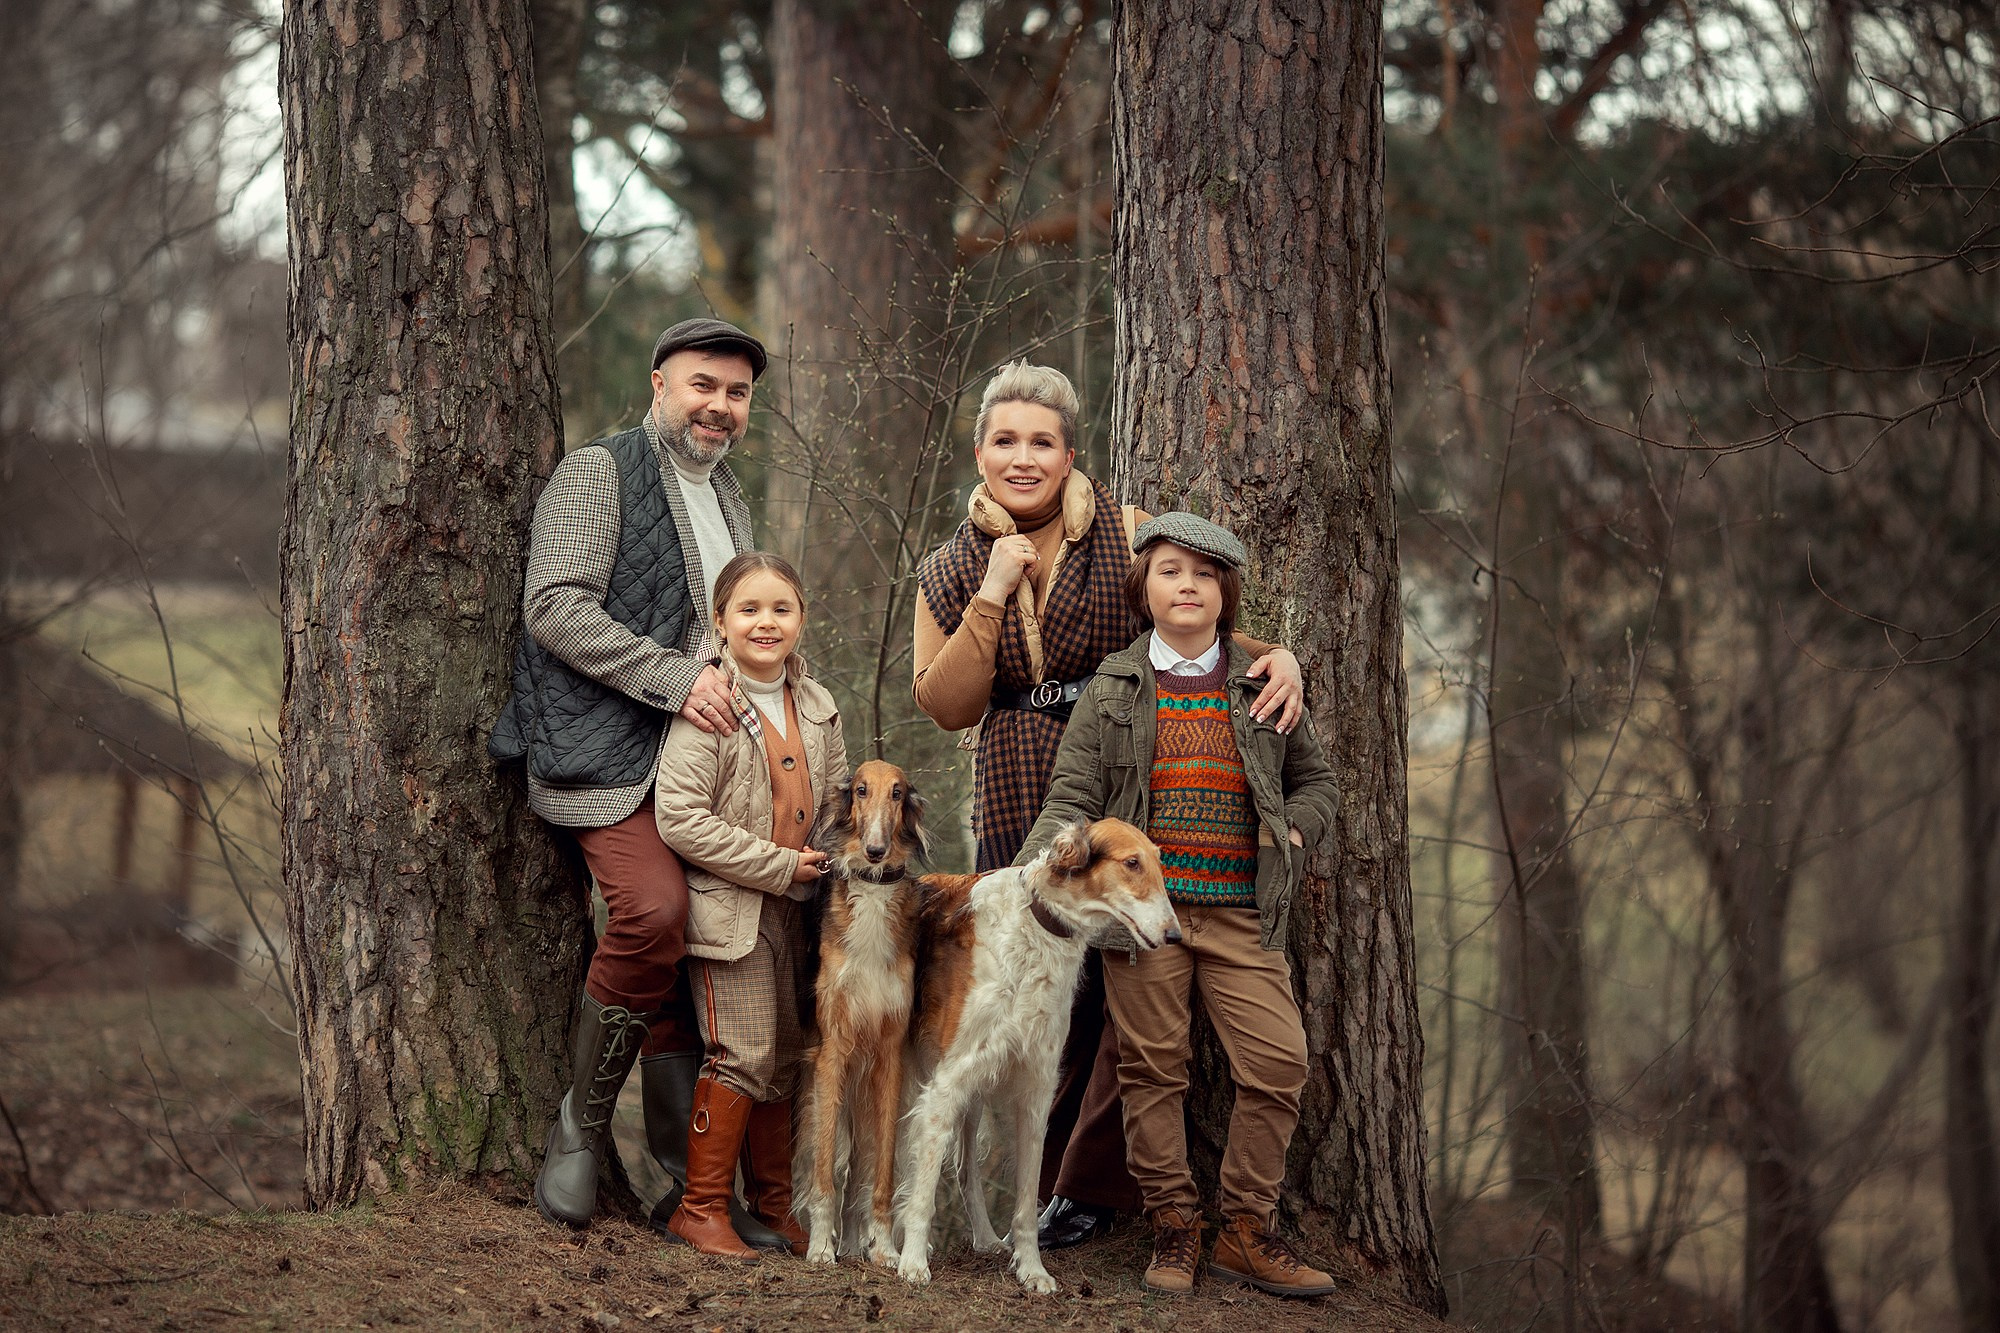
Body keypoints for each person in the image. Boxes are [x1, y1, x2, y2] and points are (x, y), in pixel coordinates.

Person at [910, 362, 1305, 1250]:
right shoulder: (949, 564)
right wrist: (992, 589)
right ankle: (1021, 1199)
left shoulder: (1123, 530)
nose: (1023, 458)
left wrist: (1275, 654)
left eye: (1041, 442)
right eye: (1005, 441)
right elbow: (944, 703)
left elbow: (1184, 616)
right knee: (1028, 983)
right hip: (1018, 774)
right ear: (980, 453)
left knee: (1120, 992)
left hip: (1129, 771)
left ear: (1069, 452)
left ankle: (1083, 1189)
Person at [489, 317, 788, 1248]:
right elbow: (554, 607)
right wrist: (677, 678)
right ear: (660, 385)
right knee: (654, 914)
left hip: (696, 765)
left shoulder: (729, 493)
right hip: (602, 747)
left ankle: (681, 1176)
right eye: (704, 385)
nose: (720, 407)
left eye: (737, 393)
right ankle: (580, 1127)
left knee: (711, 945)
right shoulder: (599, 471)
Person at [1015, 513, 1341, 1297]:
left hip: (1242, 915)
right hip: (1144, 920)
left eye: (1203, 572)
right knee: (1152, 1069)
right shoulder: (1115, 688)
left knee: (1277, 1061)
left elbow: (1319, 781)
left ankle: (1246, 1230)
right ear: (1145, 587)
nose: (1186, 583)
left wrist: (1296, 827)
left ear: (1225, 593)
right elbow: (1073, 792)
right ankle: (1173, 1223)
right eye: (1169, 569)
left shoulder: (1263, 678)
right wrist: (1031, 869)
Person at [652, 551, 844, 1260]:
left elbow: (835, 798)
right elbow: (681, 818)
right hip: (727, 912)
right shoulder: (711, 708)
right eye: (750, 610)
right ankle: (699, 1208)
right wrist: (778, 864)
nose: (767, 622)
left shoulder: (818, 706)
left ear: (801, 619)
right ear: (721, 624)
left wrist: (830, 860)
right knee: (743, 1052)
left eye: (781, 609)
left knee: (787, 1055)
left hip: (797, 913)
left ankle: (774, 1210)